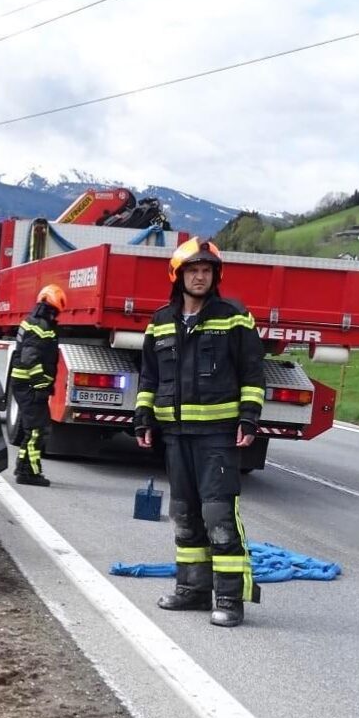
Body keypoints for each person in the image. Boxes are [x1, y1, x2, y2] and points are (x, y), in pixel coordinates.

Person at [133, 239, 265, 627]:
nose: (200, 276)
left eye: (207, 270)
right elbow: (149, 376)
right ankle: (192, 590)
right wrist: (143, 417)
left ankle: (229, 599)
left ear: (215, 276)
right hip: (176, 435)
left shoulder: (235, 317)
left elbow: (252, 371)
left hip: (217, 435)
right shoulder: (160, 321)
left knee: (218, 516)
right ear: (178, 276)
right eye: (193, 270)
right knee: (184, 514)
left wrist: (249, 418)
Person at [8, 284, 63, 488]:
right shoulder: (41, 325)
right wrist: (40, 385)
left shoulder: (34, 321)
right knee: (37, 430)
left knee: (34, 428)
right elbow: (30, 357)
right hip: (29, 385)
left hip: (25, 383)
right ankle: (29, 472)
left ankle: (24, 467)